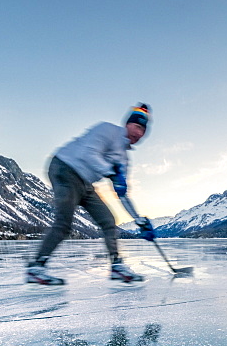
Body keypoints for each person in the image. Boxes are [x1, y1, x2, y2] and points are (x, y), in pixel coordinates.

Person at [26, 103, 156, 285]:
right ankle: (36, 268)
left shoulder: (123, 158)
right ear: (127, 124)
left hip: (86, 183)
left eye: (143, 130)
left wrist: (138, 220)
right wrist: (111, 172)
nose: (139, 133)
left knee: (109, 221)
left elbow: (122, 193)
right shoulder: (107, 130)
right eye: (137, 126)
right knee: (64, 222)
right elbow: (88, 153)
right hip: (64, 168)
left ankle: (117, 266)